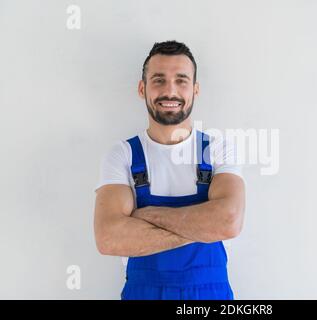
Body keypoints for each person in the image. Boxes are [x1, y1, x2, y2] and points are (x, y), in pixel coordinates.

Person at [93, 40, 245, 300]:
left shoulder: (219, 149)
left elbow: (228, 221)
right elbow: (109, 238)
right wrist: (203, 228)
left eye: (181, 80)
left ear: (195, 89)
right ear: (143, 88)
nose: (170, 91)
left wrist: (144, 217)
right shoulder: (123, 155)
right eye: (159, 80)